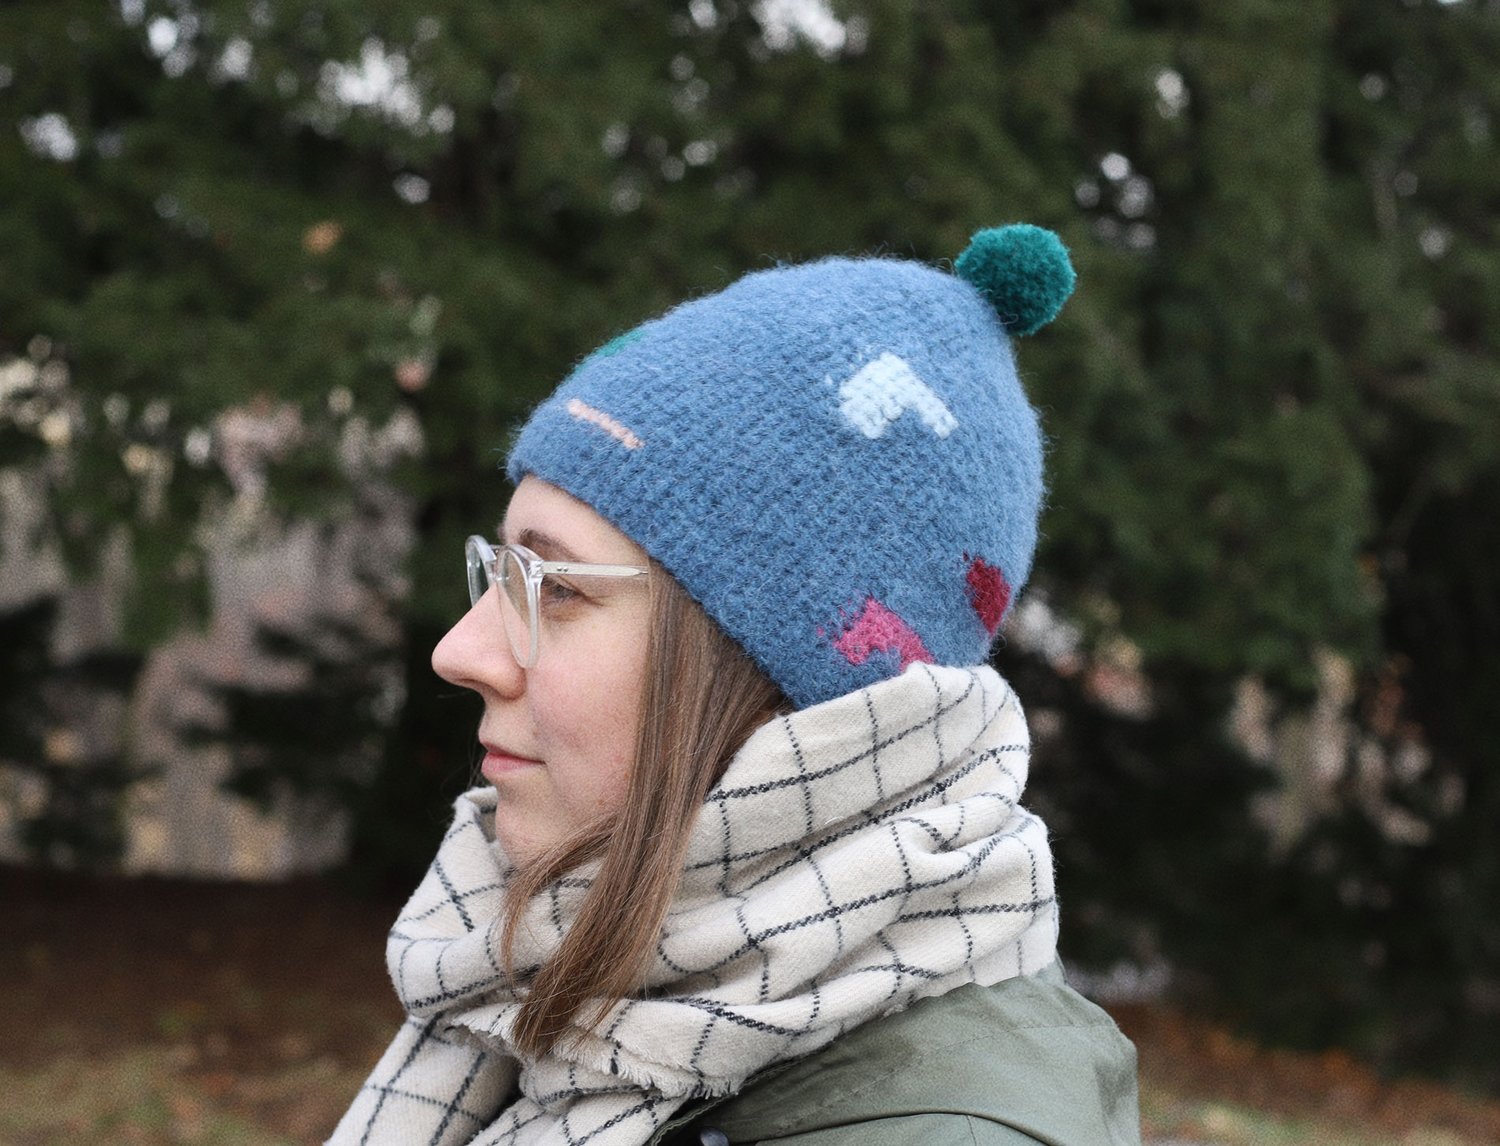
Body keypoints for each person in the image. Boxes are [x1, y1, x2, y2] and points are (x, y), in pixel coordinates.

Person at [330, 225, 1141, 1145]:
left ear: (765, 668)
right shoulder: (556, 992)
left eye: (552, 588)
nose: (460, 651)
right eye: (500, 573)